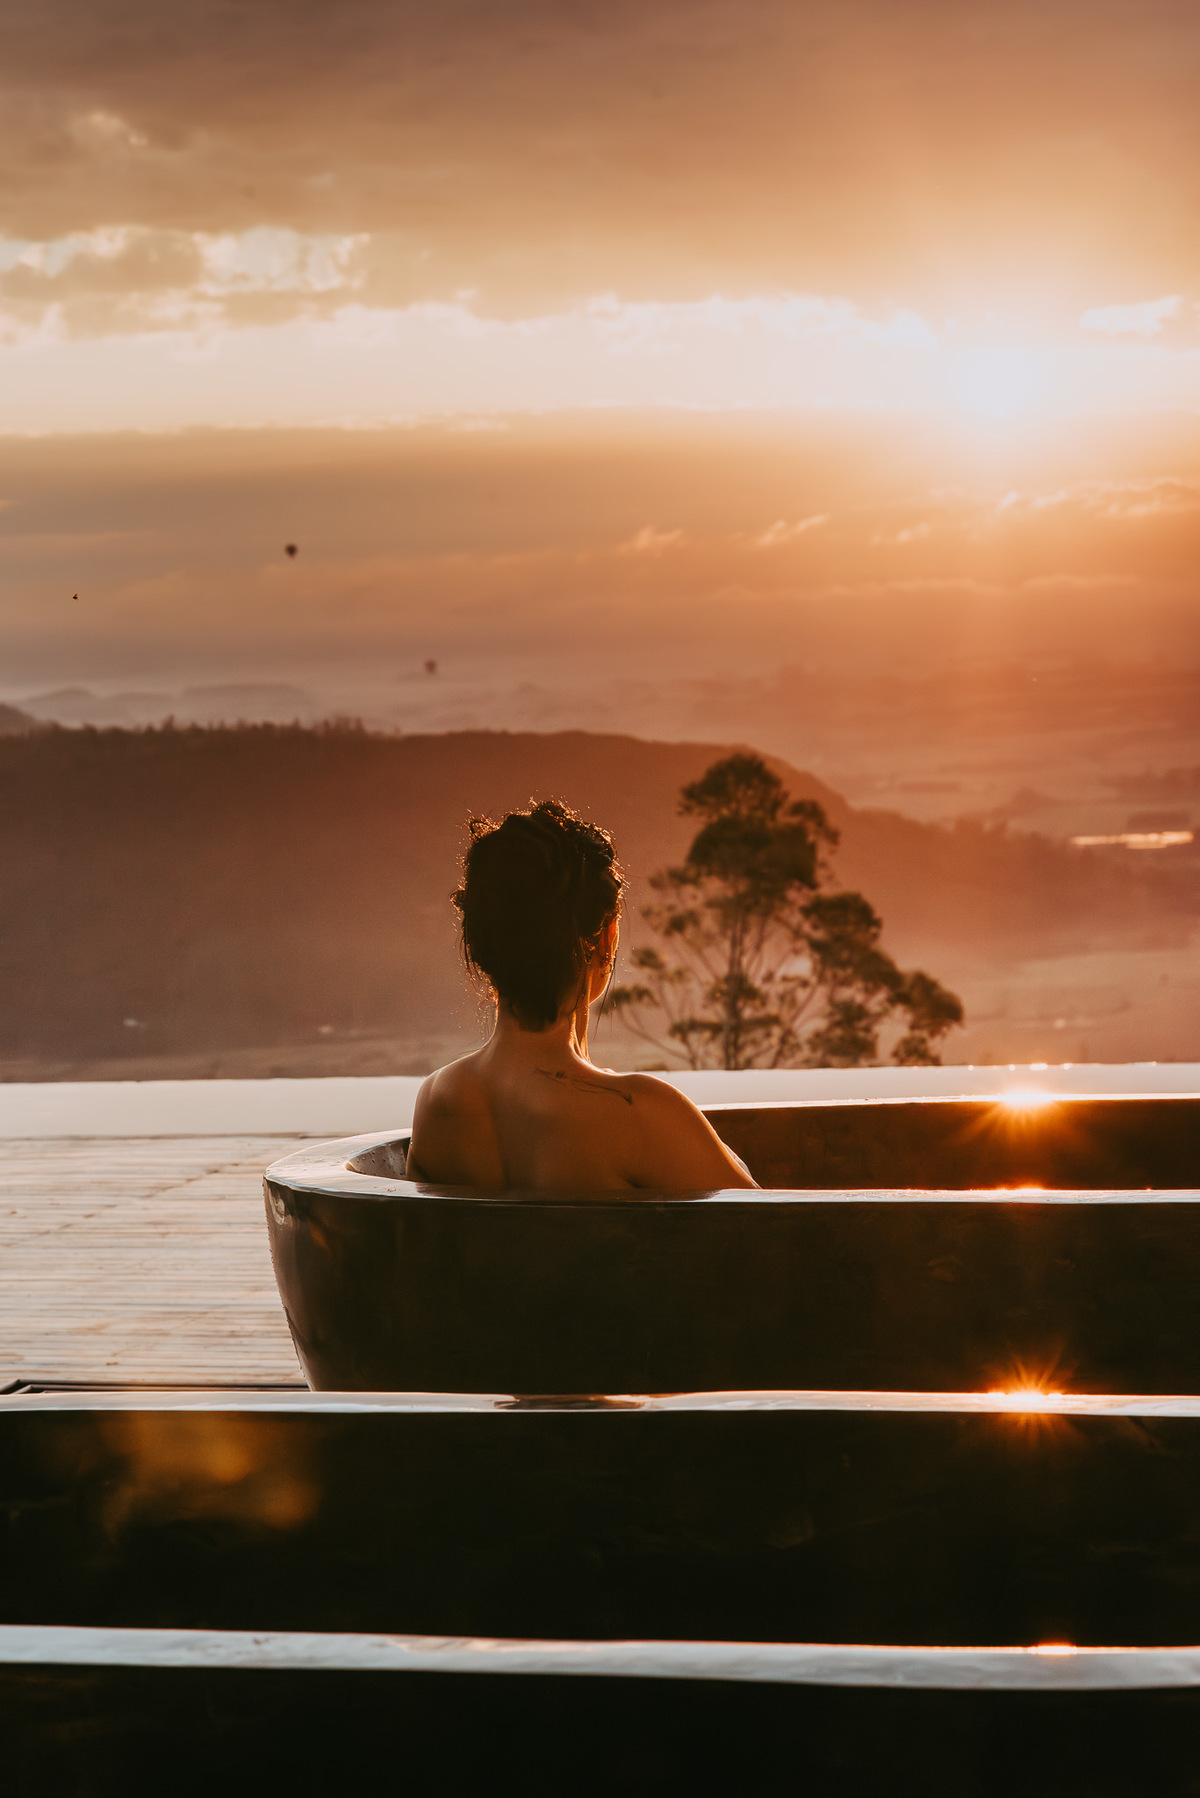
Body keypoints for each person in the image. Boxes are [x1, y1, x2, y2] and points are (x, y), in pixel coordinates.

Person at [408, 800, 756, 1192]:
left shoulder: (436, 1101)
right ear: (607, 937)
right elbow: (772, 1221)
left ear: (482, 942)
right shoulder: (639, 1114)